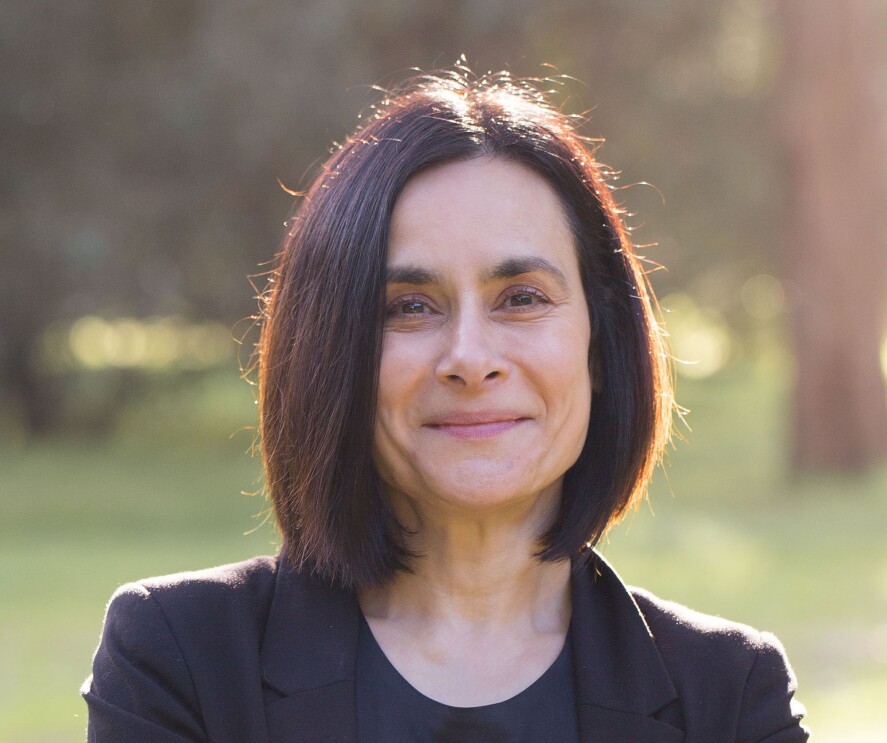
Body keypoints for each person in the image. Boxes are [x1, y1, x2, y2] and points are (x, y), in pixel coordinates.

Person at [82, 69, 809, 742]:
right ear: (332, 351)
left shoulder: (727, 695)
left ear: (599, 345)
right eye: (409, 306)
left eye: (520, 298)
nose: (469, 357)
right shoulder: (180, 658)